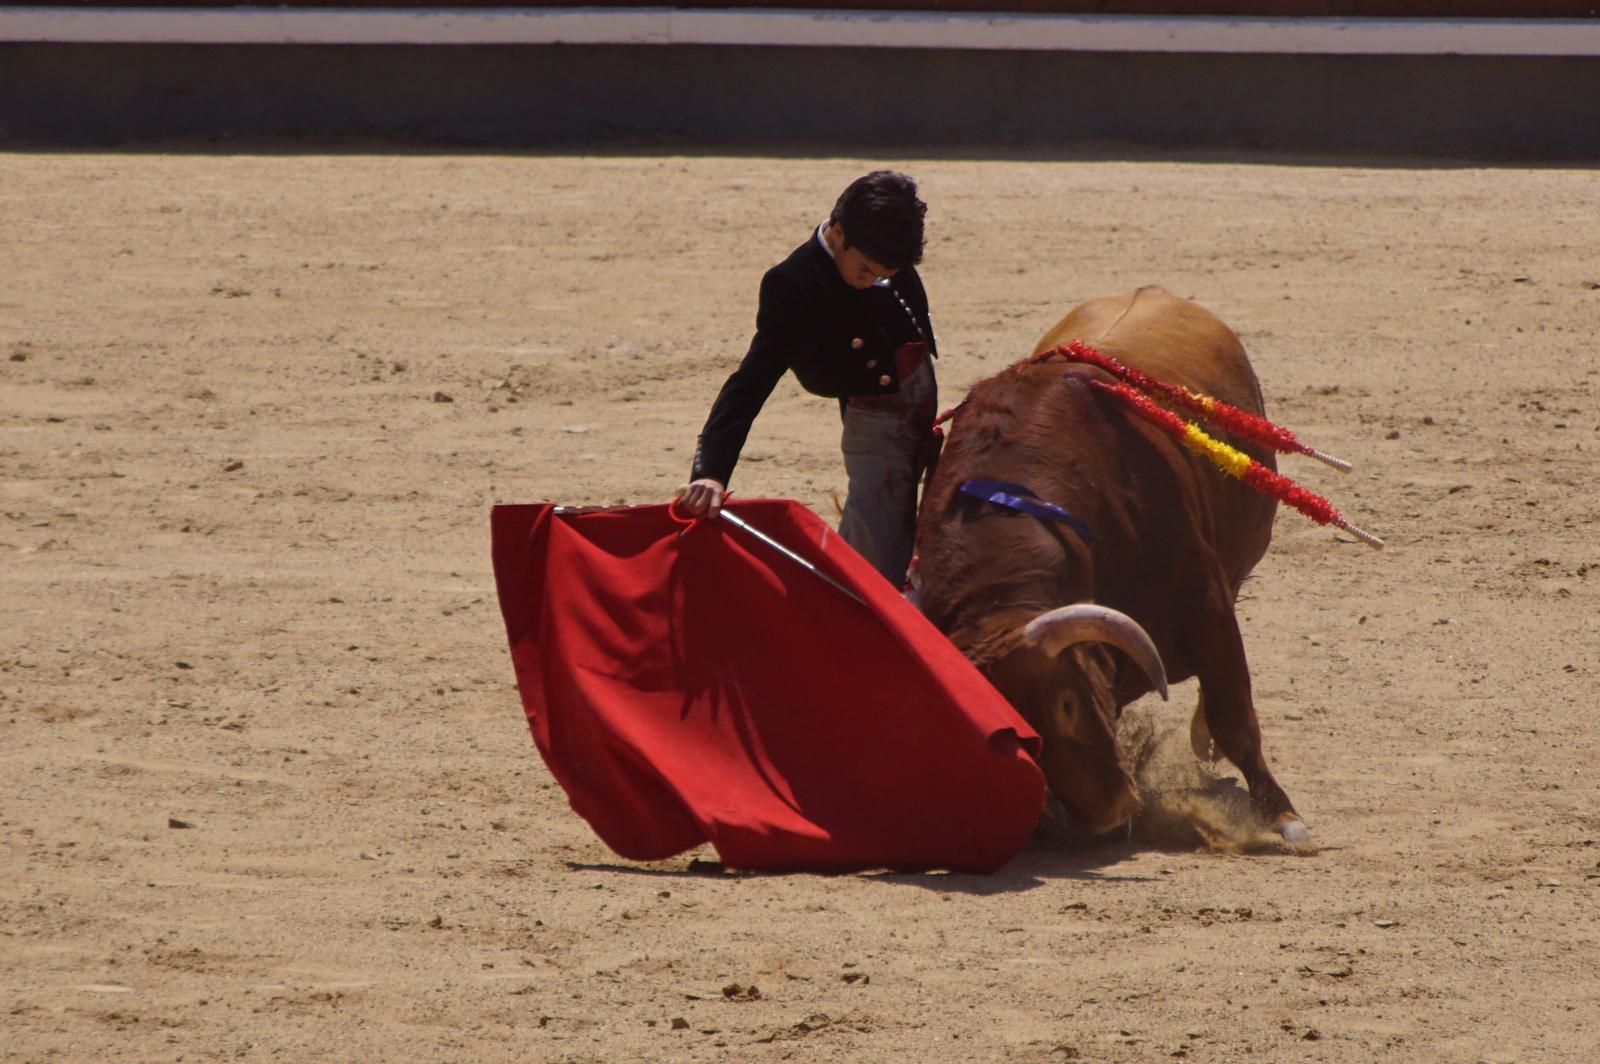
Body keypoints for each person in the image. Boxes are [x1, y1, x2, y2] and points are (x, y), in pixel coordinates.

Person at [675, 171, 939, 586]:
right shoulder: (793, 284)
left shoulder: (882, 235)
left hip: (917, 389)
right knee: (879, 544)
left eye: (886, 274)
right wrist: (711, 470)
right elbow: (751, 382)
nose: (876, 282)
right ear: (837, 233)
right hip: (875, 410)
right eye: (867, 271)